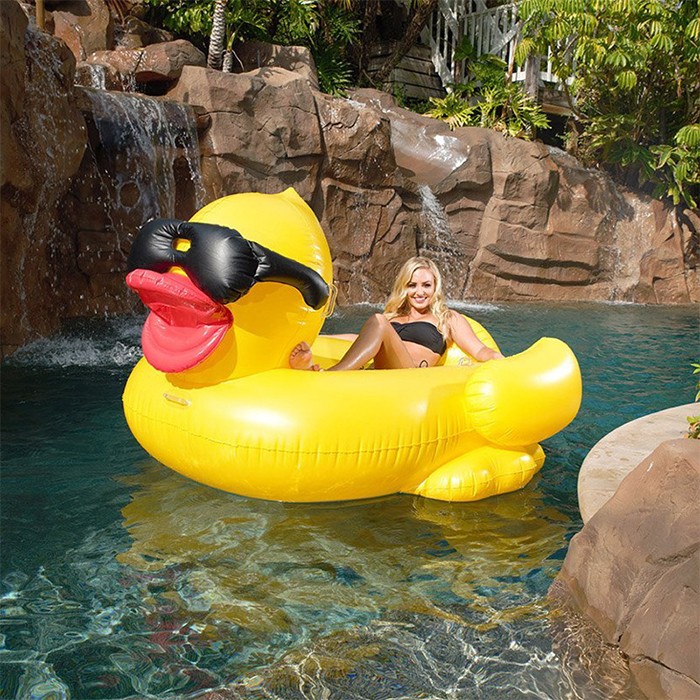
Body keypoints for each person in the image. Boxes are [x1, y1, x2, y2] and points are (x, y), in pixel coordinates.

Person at [289, 256, 504, 371]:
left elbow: (479, 350)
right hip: (381, 372)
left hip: (409, 376)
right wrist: (318, 338)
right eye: (412, 285)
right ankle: (311, 370)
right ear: (404, 287)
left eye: (426, 285)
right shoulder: (393, 317)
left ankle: (332, 374)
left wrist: (498, 358)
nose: (419, 292)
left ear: (435, 287)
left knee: (379, 322)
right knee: (380, 323)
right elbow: (360, 340)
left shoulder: (447, 318)